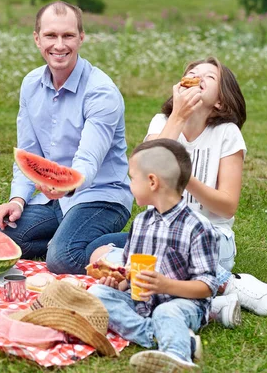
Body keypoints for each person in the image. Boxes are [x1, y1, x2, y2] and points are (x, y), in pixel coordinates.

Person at [91, 57, 267, 327]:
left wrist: (184, 176)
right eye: (192, 73)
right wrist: (177, 117)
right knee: (98, 255)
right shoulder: (162, 122)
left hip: (211, 238)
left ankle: (228, 282)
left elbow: (227, 206)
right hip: (158, 234)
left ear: (220, 102)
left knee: (148, 267)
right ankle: (216, 299)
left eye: (209, 77)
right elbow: (144, 172)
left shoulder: (227, 134)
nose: (197, 77)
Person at [0, 1, 133, 275]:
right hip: (54, 200)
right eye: (50, 36)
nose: (59, 45)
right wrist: (17, 200)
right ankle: (78, 240)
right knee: (2, 236)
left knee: (62, 259)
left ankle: (145, 242)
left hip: (102, 196)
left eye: (68, 35)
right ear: (37, 39)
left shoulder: (101, 92)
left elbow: (88, 160)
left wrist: (66, 186)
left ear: (81, 38)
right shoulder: (30, 84)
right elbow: (27, 153)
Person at [89, 138, 218, 372]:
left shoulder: (197, 226)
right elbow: (128, 276)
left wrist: (166, 286)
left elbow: (207, 286)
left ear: (152, 181)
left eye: (132, 178)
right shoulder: (140, 222)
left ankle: (178, 357)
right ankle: (162, 336)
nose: (129, 184)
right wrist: (117, 283)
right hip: (141, 302)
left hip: (182, 303)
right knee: (96, 293)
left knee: (166, 311)